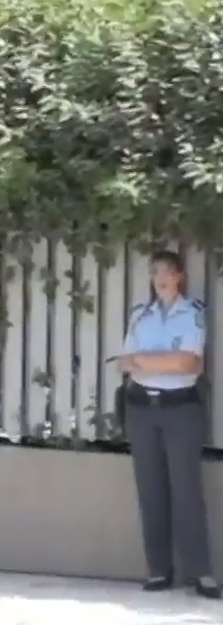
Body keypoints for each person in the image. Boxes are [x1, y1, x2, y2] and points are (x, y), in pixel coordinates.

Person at [120, 249, 220, 599]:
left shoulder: (192, 313)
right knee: (150, 490)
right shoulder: (140, 315)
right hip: (142, 409)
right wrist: (164, 361)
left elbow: (189, 364)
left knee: (186, 491)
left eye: (166, 272)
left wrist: (146, 361)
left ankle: (201, 572)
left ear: (179, 277)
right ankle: (159, 569)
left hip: (180, 409)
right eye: (155, 273)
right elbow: (126, 363)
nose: (160, 279)